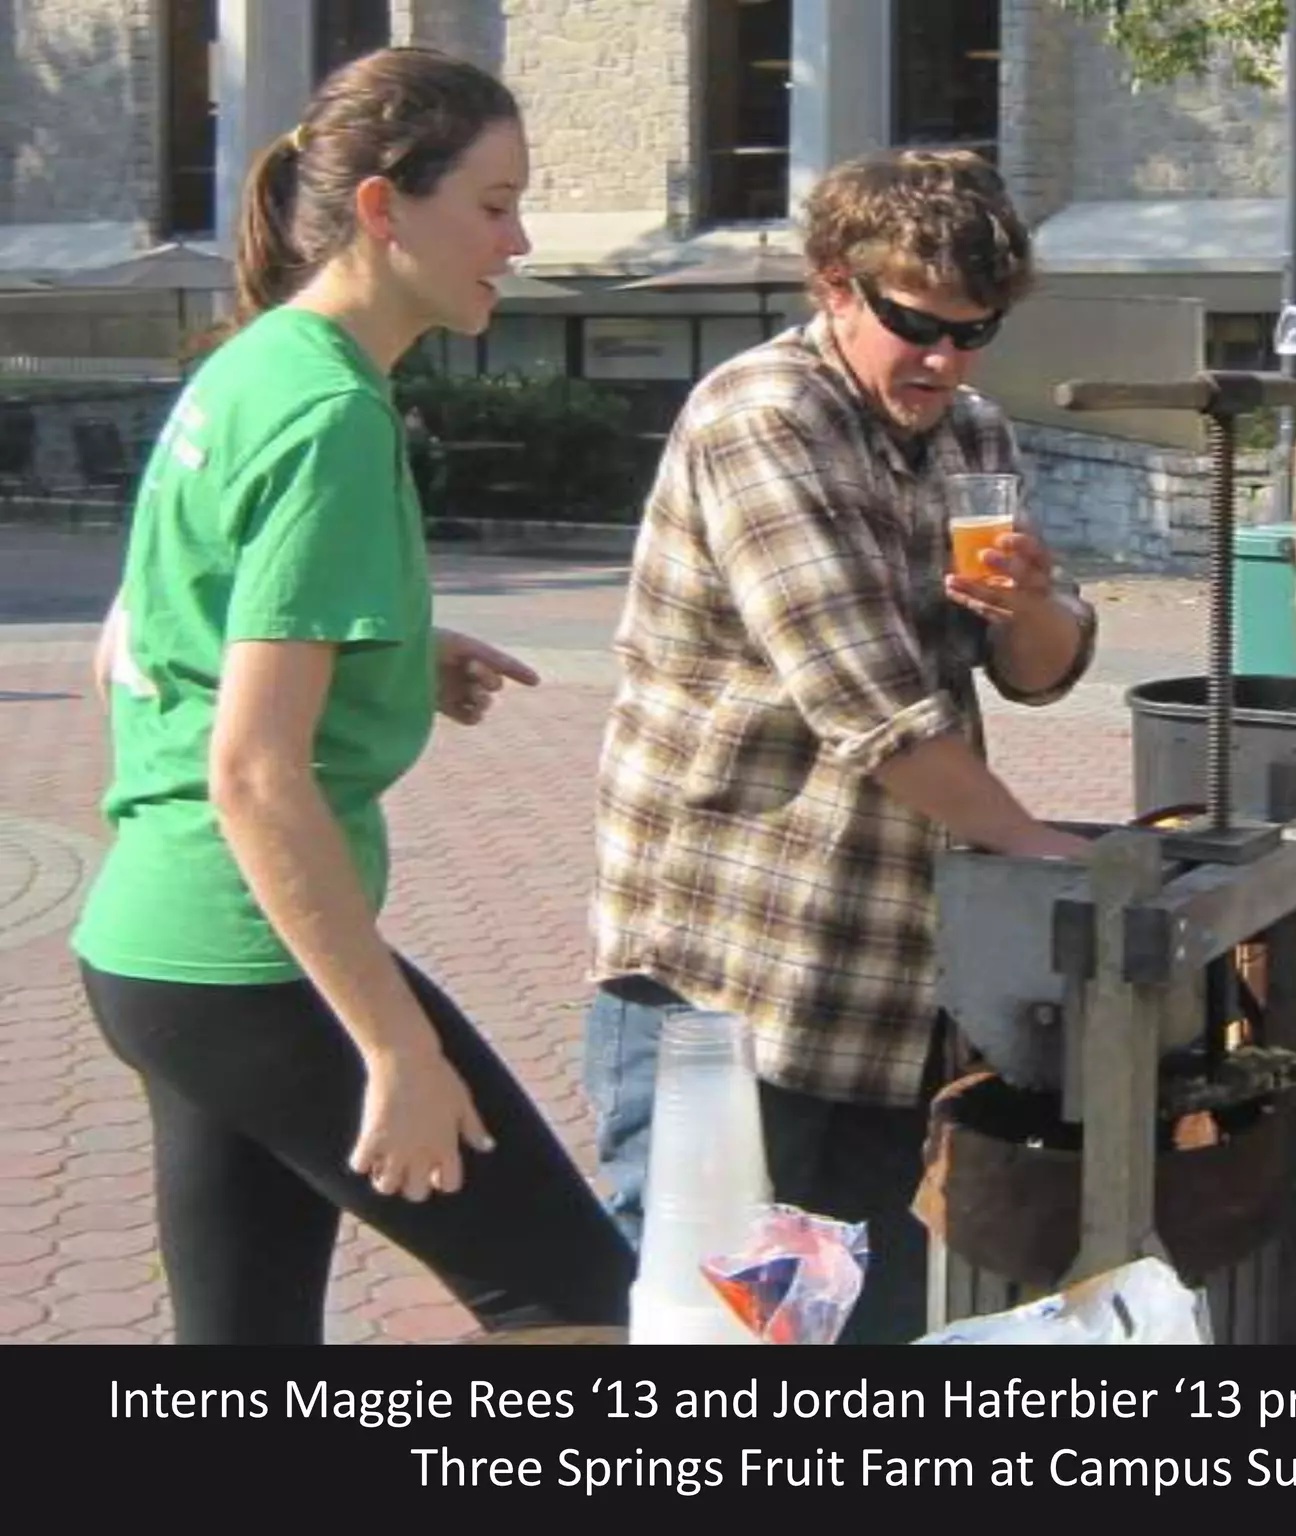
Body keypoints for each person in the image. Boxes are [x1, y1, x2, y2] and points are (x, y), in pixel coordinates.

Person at [70, 47, 634, 1344]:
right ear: (385, 209)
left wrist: (393, 653)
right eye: (493, 205)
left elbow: (142, 640)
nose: (519, 241)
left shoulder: (251, 363)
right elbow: (253, 772)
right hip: (247, 960)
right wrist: (394, 1050)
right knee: (575, 1305)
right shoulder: (331, 415)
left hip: (155, 953)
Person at [583, 148, 1097, 1344]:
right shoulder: (763, 417)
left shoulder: (971, 432)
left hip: (886, 984)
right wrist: (1038, 849)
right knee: (708, 1324)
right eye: (915, 323)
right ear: (832, 283)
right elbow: (872, 710)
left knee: (860, 1324)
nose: (944, 360)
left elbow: (1039, 669)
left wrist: (1030, 606)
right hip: (727, 977)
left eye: (974, 332)